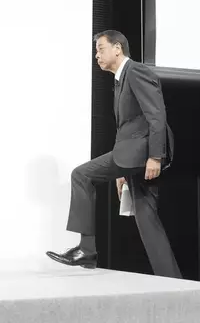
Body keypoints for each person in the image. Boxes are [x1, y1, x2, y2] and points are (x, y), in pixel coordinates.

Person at [46, 30, 182, 279]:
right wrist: (121, 172)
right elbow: (126, 128)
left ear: (117, 48)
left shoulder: (136, 71)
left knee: (81, 175)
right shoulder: (119, 81)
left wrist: (155, 156)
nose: (96, 55)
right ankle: (174, 281)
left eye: (100, 49)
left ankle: (86, 249)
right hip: (132, 156)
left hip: (143, 154)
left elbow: (156, 114)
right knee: (146, 219)